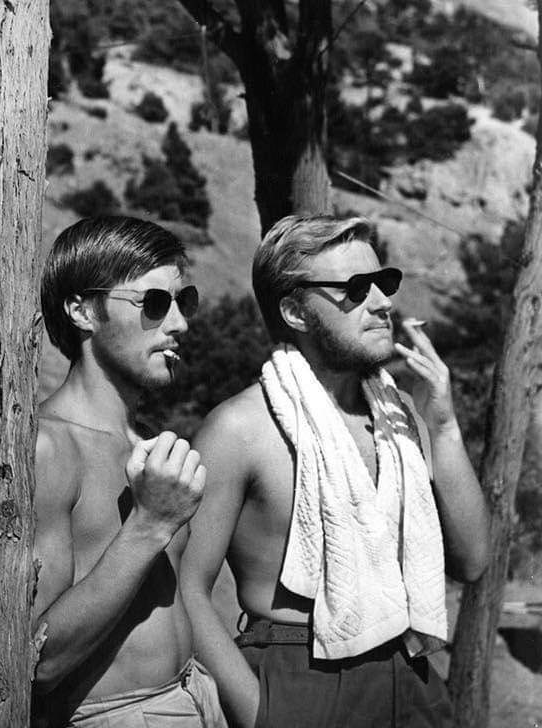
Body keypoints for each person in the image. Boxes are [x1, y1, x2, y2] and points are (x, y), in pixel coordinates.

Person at [181, 214, 490, 728]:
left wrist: (444, 426)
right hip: (299, 674)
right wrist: (261, 714)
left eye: (384, 282)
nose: (382, 302)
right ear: (295, 311)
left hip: (409, 676)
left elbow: (474, 561)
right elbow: (182, 587)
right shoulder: (241, 429)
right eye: (356, 288)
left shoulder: (401, 419)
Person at [31, 216, 224, 727]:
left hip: (194, 696)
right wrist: (149, 526)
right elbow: (35, 660)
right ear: (82, 311)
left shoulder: (146, 441)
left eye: (184, 301)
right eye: (154, 303)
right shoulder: (48, 447)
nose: (179, 324)